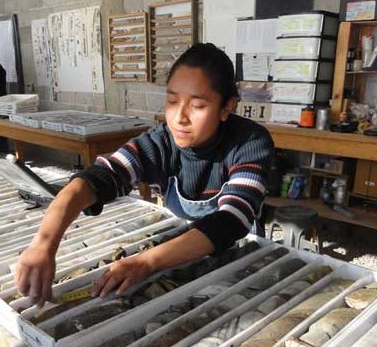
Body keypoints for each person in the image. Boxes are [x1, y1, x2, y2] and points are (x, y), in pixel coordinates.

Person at [15, 43, 274, 306]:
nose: (179, 118)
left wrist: (146, 262)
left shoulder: (249, 142)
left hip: (237, 247)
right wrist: (43, 243)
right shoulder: (160, 142)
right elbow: (97, 178)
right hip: (176, 249)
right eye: (172, 101)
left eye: (197, 106)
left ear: (226, 107)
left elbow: (232, 218)